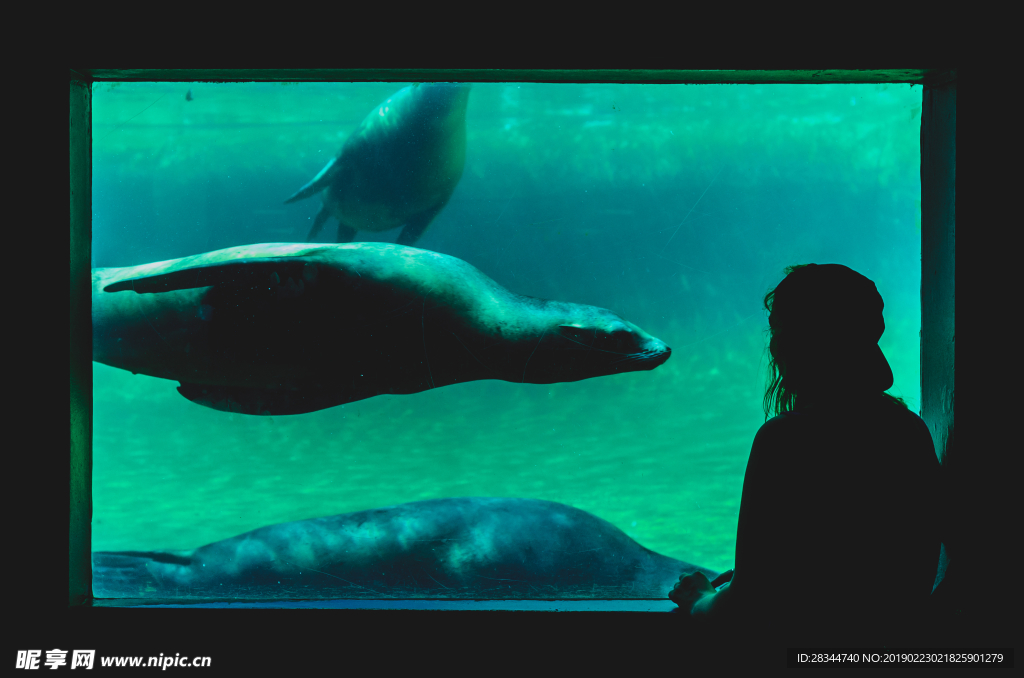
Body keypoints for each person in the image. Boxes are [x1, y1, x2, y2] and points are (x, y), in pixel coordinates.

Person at [669, 264, 941, 646]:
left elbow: (744, 608)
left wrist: (701, 598)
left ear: (800, 341)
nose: (773, 345)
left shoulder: (784, 440)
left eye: (777, 329)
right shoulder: (909, 428)